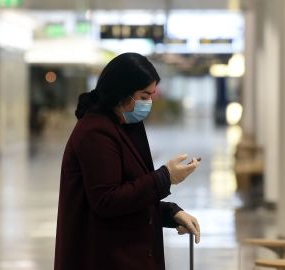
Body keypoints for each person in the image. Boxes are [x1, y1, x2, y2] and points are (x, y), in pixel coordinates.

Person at [54, 52, 201, 270]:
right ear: (121, 93)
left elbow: (131, 194)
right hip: (102, 257)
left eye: (151, 96)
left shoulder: (125, 126)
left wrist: (170, 213)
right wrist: (165, 177)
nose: (148, 103)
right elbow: (108, 200)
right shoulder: (95, 133)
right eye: (143, 96)